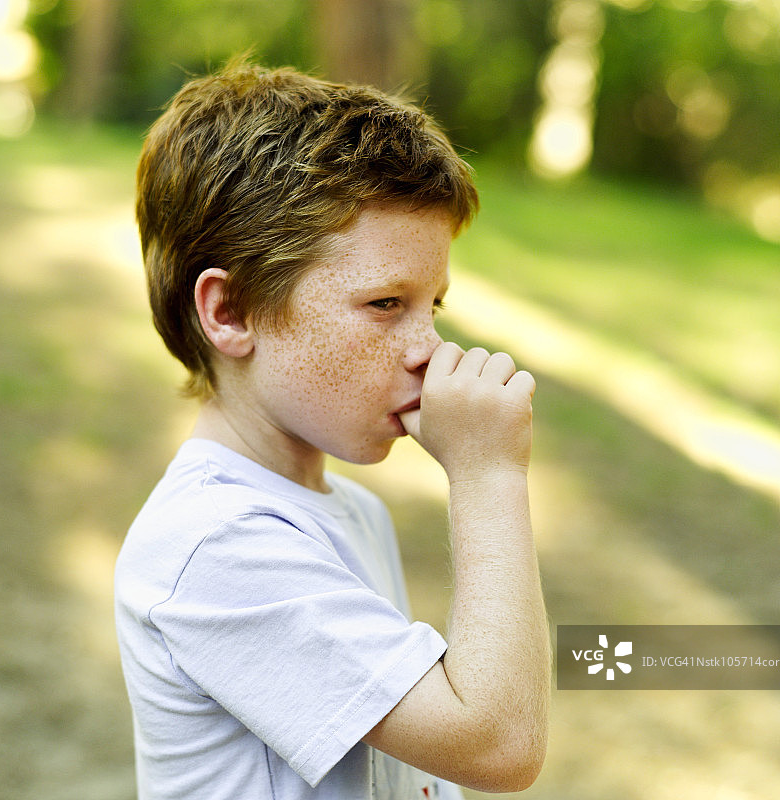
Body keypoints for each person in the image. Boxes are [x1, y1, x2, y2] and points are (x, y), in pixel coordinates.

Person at [114, 55, 550, 800]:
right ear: (231, 312)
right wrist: (489, 476)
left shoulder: (349, 513)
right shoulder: (213, 546)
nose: (431, 350)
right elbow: (498, 745)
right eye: (386, 304)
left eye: (432, 306)